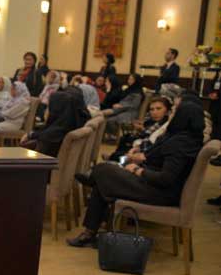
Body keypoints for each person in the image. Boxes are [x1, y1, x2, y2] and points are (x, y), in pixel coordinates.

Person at [67, 100, 205, 247]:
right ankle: (90, 232)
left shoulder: (180, 143)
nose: (171, 114)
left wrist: (138, 170)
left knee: (103, 170)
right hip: (157, 185)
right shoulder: (189, 138)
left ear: (183, 117)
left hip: (159, 192)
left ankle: (90, 229)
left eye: (175, 112)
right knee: (103, 180)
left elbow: (166, 178)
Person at [22, 90, 89, 157]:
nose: (45, 111)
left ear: (56, 110)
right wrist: (31, 135)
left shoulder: (51, 137)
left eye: (48, 107)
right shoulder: (69, 126)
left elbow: (37, 160)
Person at [107, 96, 172, 162]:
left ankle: (115, 159)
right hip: (140, 142)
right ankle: (115, 158)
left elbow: (151, 138)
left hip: (147, 148)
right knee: (125, 138)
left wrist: (141, 132)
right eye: (152, 109)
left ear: (167, 111)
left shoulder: (165, 123)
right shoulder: (152, 120)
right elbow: (146, 129)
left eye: (158, 108)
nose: (154, 112)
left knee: (127, 144)